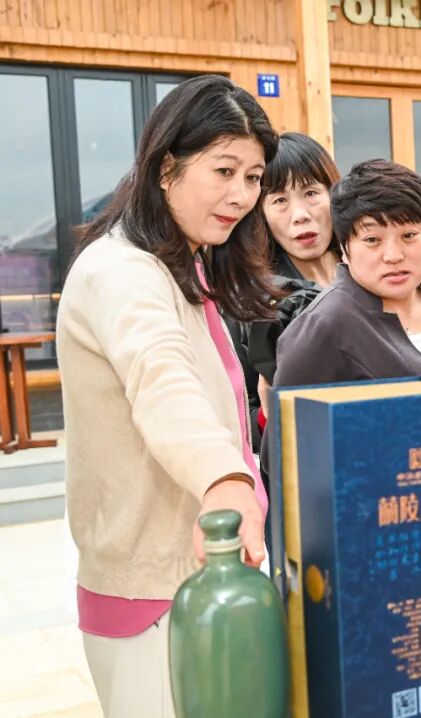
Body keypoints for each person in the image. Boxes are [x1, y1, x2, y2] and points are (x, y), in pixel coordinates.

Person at [55, 74, 279, 717]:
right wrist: (225, 479)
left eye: (253, 177)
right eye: (224, 170)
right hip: (150, 588)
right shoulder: (121, 270)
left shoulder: (181, 263)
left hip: (197, 571)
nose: (241, 195)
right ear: (165, 167)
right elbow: (162, 380)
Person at [271, 158, 421, 394]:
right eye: (372, 240)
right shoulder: (323, 324)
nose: (394, 256)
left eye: (409, 235)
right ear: (344, 247)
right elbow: (291, 416)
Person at [226, 132, 341, 452]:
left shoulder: (369, 272)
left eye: (311, 193)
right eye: (279, 200)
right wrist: (269, 413)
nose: (300, 214)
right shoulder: (253, 302)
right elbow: (237, 418)